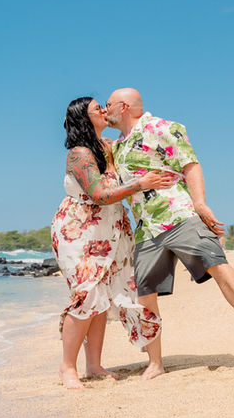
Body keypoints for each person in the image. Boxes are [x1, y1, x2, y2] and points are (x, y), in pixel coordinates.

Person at [105, 87, 234, 381]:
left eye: (108, 106)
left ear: (123, 106)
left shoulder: (165, 127)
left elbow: (191, 165)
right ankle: (155, 362)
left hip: (179, 213)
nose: (105, 111)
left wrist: (200, 204)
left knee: (217, 264)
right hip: (147, 228)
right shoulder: (117, 147)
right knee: (145, 293)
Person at [50, 97, 176, 389]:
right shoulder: (79, 154)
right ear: (84, 117)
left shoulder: (108, 146)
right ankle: (67, 367)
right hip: (79, 230)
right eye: (98, 108)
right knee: (87, 294)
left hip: (112, 230)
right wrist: (141, 185)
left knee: (102, 297)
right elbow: (99, 194)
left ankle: (93, 365)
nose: (104, 111)